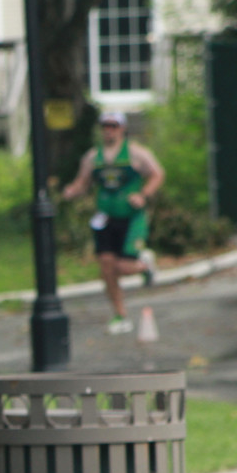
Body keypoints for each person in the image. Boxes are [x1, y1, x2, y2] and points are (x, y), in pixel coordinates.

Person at [62, 110, 165, 335]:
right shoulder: (92, 157)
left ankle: (144, 265)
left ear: (123, 129)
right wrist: (70, 192)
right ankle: (120, 315)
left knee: (122, 266)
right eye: (105, 126)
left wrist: (143, 195)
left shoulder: (137, 154)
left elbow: (157, 174)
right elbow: (82, 183)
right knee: (107, 267)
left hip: (132, 218)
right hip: (106, 218)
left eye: (113, 126)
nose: (109, 130)